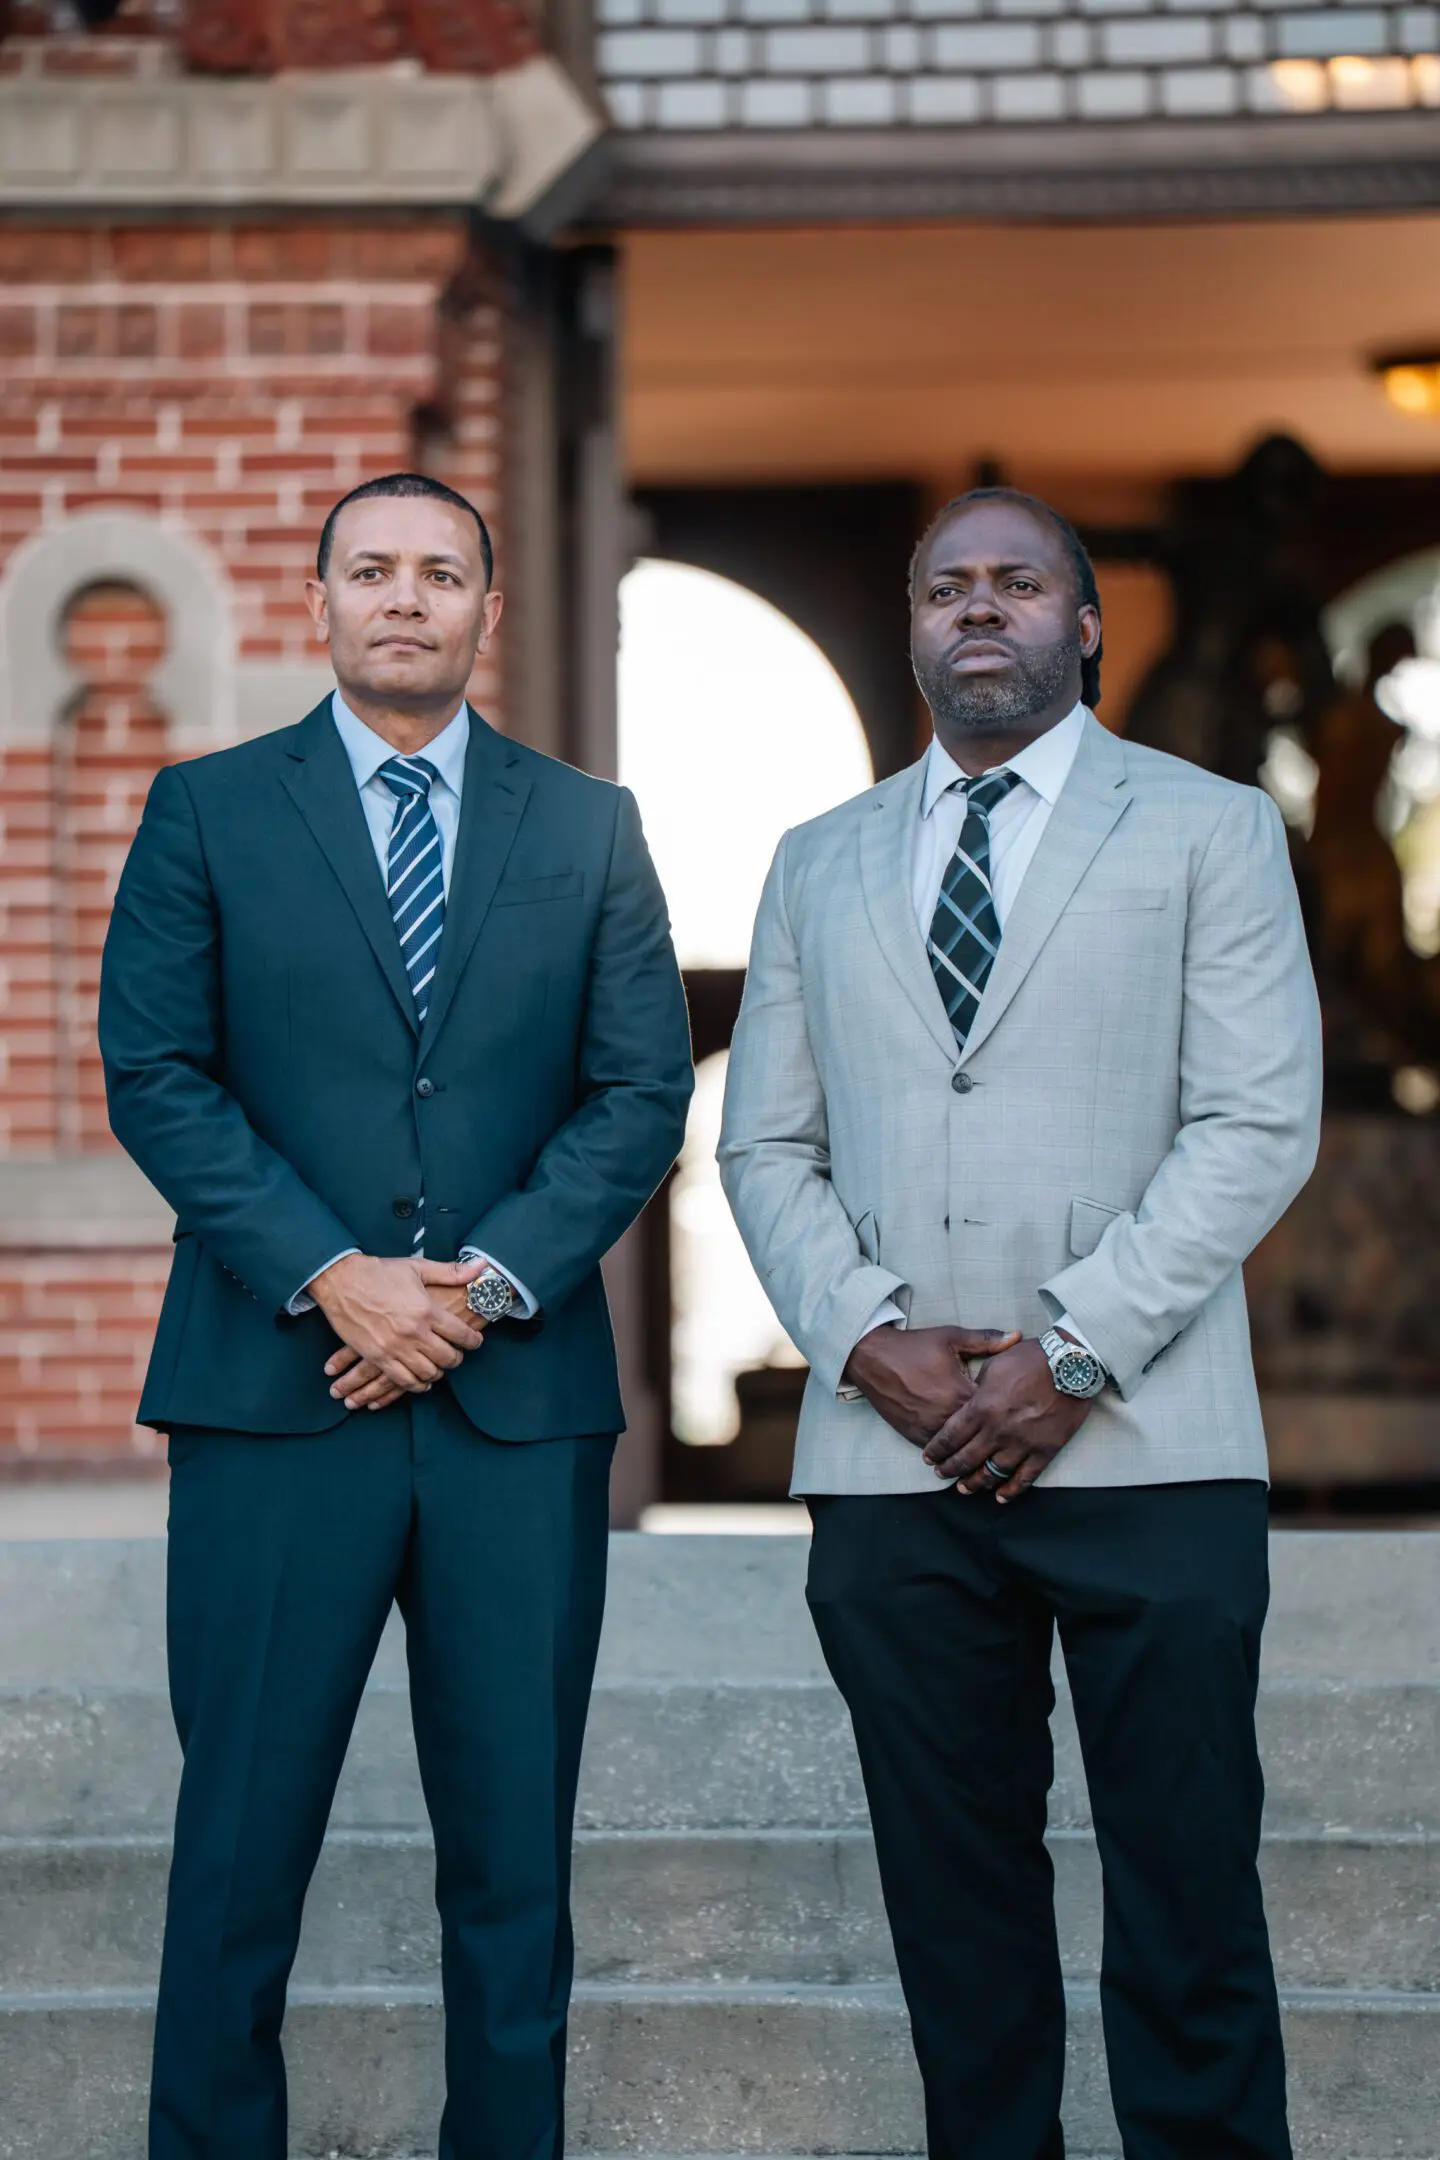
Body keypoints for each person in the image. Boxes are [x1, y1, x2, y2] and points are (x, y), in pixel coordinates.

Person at [719, 487, 1321, 2160]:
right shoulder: (815, 859)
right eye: (946, 587)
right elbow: (766, 1140)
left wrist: (1070, 1351)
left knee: (1189, 1910)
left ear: (1087, 621)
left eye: (1020, 582)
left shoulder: (1213, 829)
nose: (980, 609)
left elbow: (1258, 1122)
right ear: (915, 626)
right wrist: (862, 1335)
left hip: (1151, 1445)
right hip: (893, 1464)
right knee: (958, 1931)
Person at [99, 471, 693, 2160]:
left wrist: (483, 1283)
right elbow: (158, 1072)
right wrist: (332, 1272)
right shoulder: (206, 810)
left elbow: (638, 1093)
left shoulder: (588, 827)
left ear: (490, 614)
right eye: (373, 570)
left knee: (514, 1867)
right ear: (323, 604)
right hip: (272, 1397)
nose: (406, 598)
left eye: (441, 573)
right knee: (236, 1862)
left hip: (516, 1419)